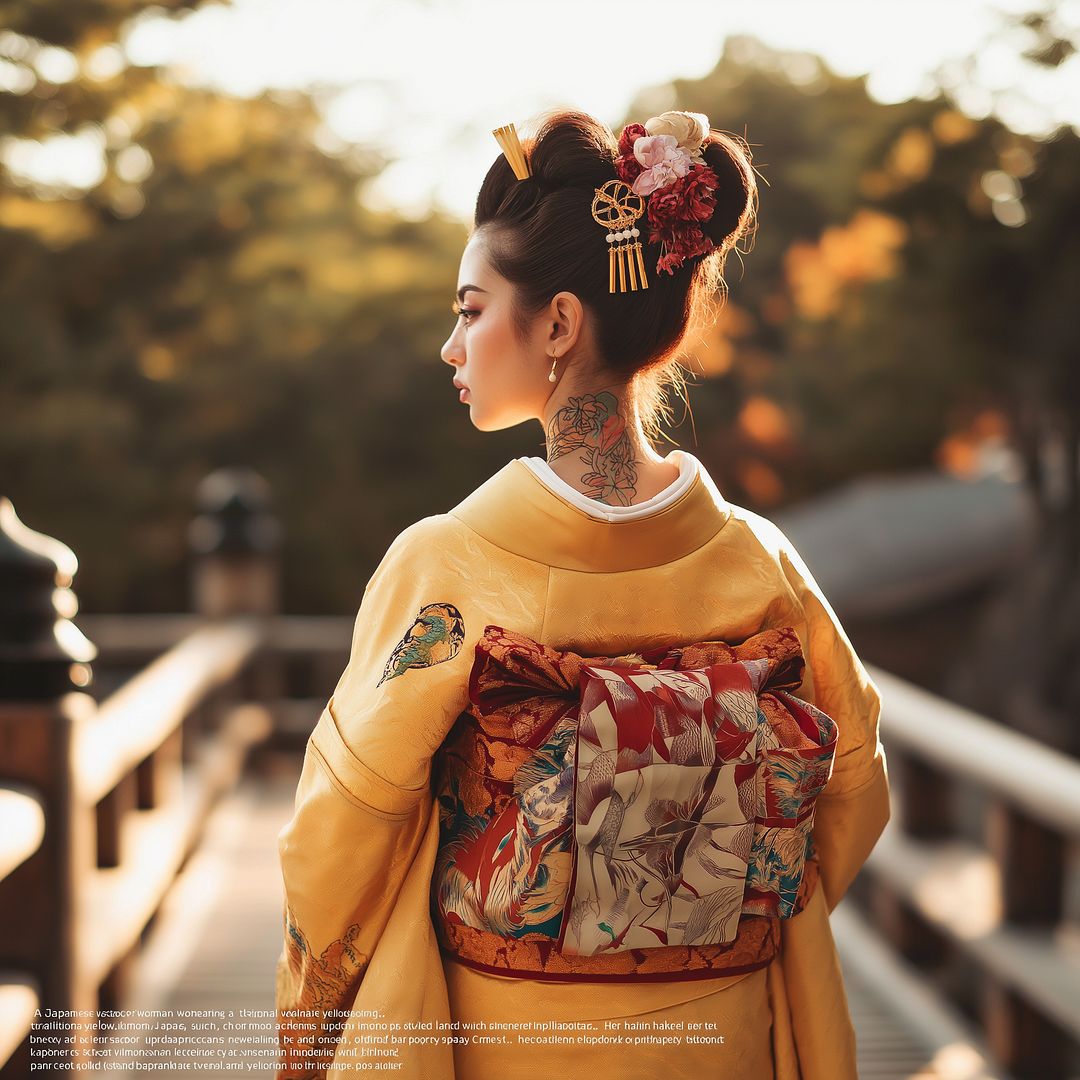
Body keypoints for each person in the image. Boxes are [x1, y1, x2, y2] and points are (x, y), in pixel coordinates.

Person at [274, 108, 891, 1080]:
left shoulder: (451, 566)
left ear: (557, 322)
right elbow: (852, 792)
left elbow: (341, 833)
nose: (452, 346)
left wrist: (309, 1018)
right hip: (717, 1036)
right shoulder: (762, 566)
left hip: (511, 1041)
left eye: (471, 310)